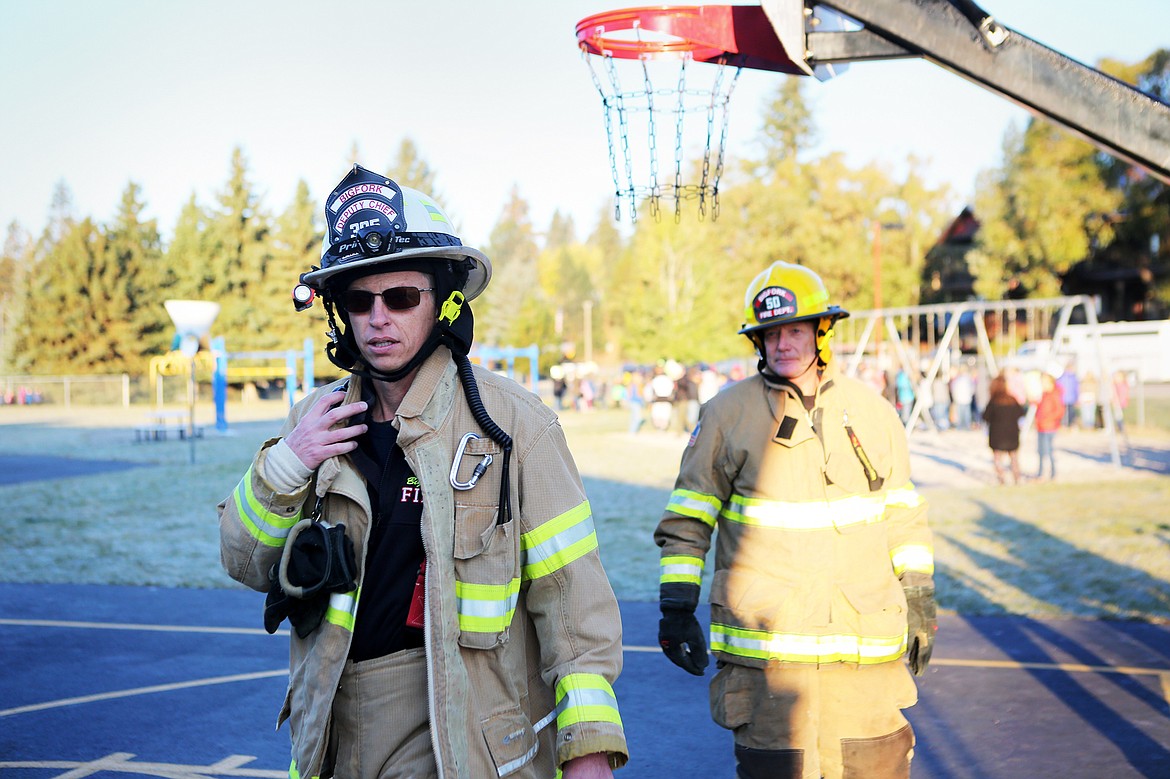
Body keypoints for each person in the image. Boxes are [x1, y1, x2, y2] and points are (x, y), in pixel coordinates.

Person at [218, 166, 627, 779]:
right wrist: (289, 460)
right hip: (331, 728)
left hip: (453, 728)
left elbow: (572, 602)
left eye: (401, 298)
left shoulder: (513, 424)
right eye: (360, 301)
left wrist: (589, 752)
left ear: (441, 301)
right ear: (341, 315)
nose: (379, 319)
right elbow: (244, 564)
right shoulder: (314, 423)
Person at [653, 260, 936, 779]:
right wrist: (676, 606)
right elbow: (690, 518)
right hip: (769, 669)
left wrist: (918, 592)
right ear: (757, 342)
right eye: (771, 334)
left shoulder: (873, 412)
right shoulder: (726, 415)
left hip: (864, 660)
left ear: (820, 331)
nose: (784, 344)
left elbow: (902, 512)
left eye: (795, 330)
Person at [982, 373, 1026, 485]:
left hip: (997, 435)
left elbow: (985, 417)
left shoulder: (994, 402)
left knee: (998, 458)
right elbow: (1021, 413)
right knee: (1014, 457)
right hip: (1012, 434)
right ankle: (1017, 477)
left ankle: (1002, 478)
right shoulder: (1012, 400)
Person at [1034, 371, 1065, 481]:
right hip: (1041, 426)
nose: (1042, 384)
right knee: (1040, 451)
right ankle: (1041, 473)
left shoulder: (1054, 394)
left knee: (1048, 451)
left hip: (1049, 427)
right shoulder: (1044, 395)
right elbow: (1040, 409)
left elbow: (1059, 411)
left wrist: (1047, 418)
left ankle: (1052, 473)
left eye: (1044, 382)